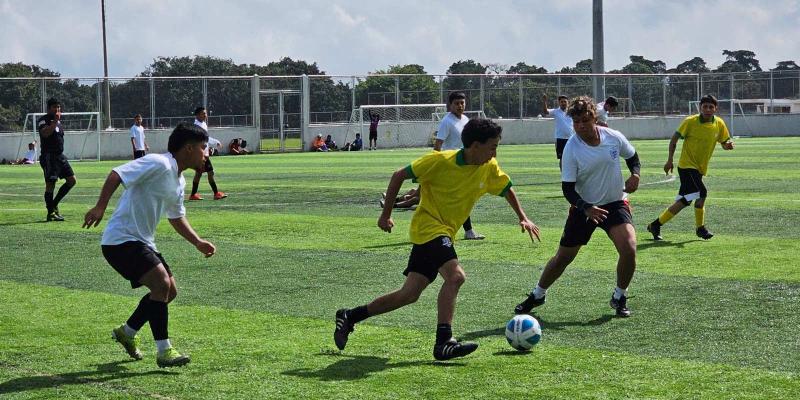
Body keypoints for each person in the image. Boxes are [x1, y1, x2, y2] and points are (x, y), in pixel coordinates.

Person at [334, 118, 541, 361]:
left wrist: (523, 217)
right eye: (492, 146)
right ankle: (444, 342)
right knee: (456, 277)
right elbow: (398, 175)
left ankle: (350, 316)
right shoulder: (440, 161)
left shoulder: (489, 166)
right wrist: (385, 215)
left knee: (409, 294)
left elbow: (506, 188)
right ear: (475, 145)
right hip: (429, 228)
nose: (495, 152)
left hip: (443, 233)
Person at [82, 123, 216, 368]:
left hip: (141, 241)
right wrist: (100, 206)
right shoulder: (158, 163)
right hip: (120, 240)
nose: (206, 153)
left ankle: (127, 332)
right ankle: (164, 350)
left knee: (169, 292)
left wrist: (197, 241)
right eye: (203, 148)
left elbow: (176, 216)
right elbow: (117, 174)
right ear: (188, 148)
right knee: (161, 284)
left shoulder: (179, 180)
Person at [515, 96, 641, 318]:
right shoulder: (571, 148)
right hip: (584, 208)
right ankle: (538, 294)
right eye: (576, 122)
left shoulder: (613, 137)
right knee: (563, 258)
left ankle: (620, 295)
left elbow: (632, 156)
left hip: (614, 203)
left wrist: (635, 174)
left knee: (629, 248)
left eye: (585, 120)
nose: (581, 126)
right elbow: (568, 190)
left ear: (595, 116)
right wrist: (586, 208)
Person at [646, 94, 734, 241]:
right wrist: (669, 160)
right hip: (687, 166)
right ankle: (700, 229)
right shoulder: (690, 122)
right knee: (702, 192)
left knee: (685, 201)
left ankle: (655, 225)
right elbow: (674, 139)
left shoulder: (719, 123)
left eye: (711, 107)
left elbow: (724, 142)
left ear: (715, 109)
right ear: (700, 107)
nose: (707, 109)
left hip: (699, 169)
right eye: (705, 106)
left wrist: (728, 146)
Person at [435, 91, 484, 240]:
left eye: (462, 103)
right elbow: (438, 146)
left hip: (465, 164)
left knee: (463, 197)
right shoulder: (446, 121)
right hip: (451, 165)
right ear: (450, 105)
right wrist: (436, 165)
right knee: (459, 198)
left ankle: (463, 230)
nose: (460, 106)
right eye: (456, 103)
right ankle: (466, 231)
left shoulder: (465, 119)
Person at [37, 97, 76, 222]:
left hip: (60, 156)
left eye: (58, 107)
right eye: (54, 107)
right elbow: (45, 133)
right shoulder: (44, 120)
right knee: (50, 185)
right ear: (49, 108)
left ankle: (53, 204)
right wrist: (54, 122)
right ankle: (50, 213)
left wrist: (57, 122)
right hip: (49, 156)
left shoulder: (59, 123)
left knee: (72, 181)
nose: (57, 109)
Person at [189, 107, 227, 201]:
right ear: (197, 115)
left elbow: (205, 138)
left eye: (205, 113)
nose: (205, 115)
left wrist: (213, 143)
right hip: (200, 154)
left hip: (202, 153)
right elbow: (203, 139)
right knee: (210, 172)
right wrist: (215, 142)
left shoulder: (203, 124)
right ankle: (216, 193)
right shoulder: (197, 126)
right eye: (203, 114)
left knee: (199, 174)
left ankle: (193, 195)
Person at [541, 94, 576, 170]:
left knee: (572, 157)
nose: (563, 103)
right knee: (562, 158)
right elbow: (545, 111)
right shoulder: (556, 111)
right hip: (560, 139)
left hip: (571, 139)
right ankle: (563, 175)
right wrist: (544, 101)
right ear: (559, 103)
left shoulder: (571, 112)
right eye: (561, 102)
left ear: (568, 102)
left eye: (565, 101)